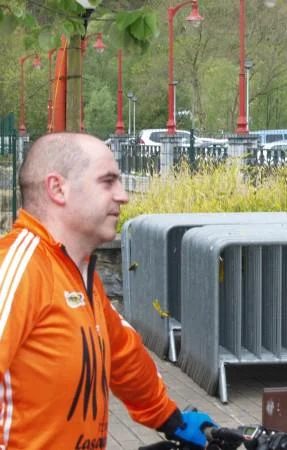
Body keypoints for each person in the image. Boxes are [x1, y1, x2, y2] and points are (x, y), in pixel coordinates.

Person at [1, 132, 216, 449]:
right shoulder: (17, 268)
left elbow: (124, 357)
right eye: (107, 181)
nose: (123, 195)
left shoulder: (79, 276)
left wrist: (171, 420)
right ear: (58, 189)